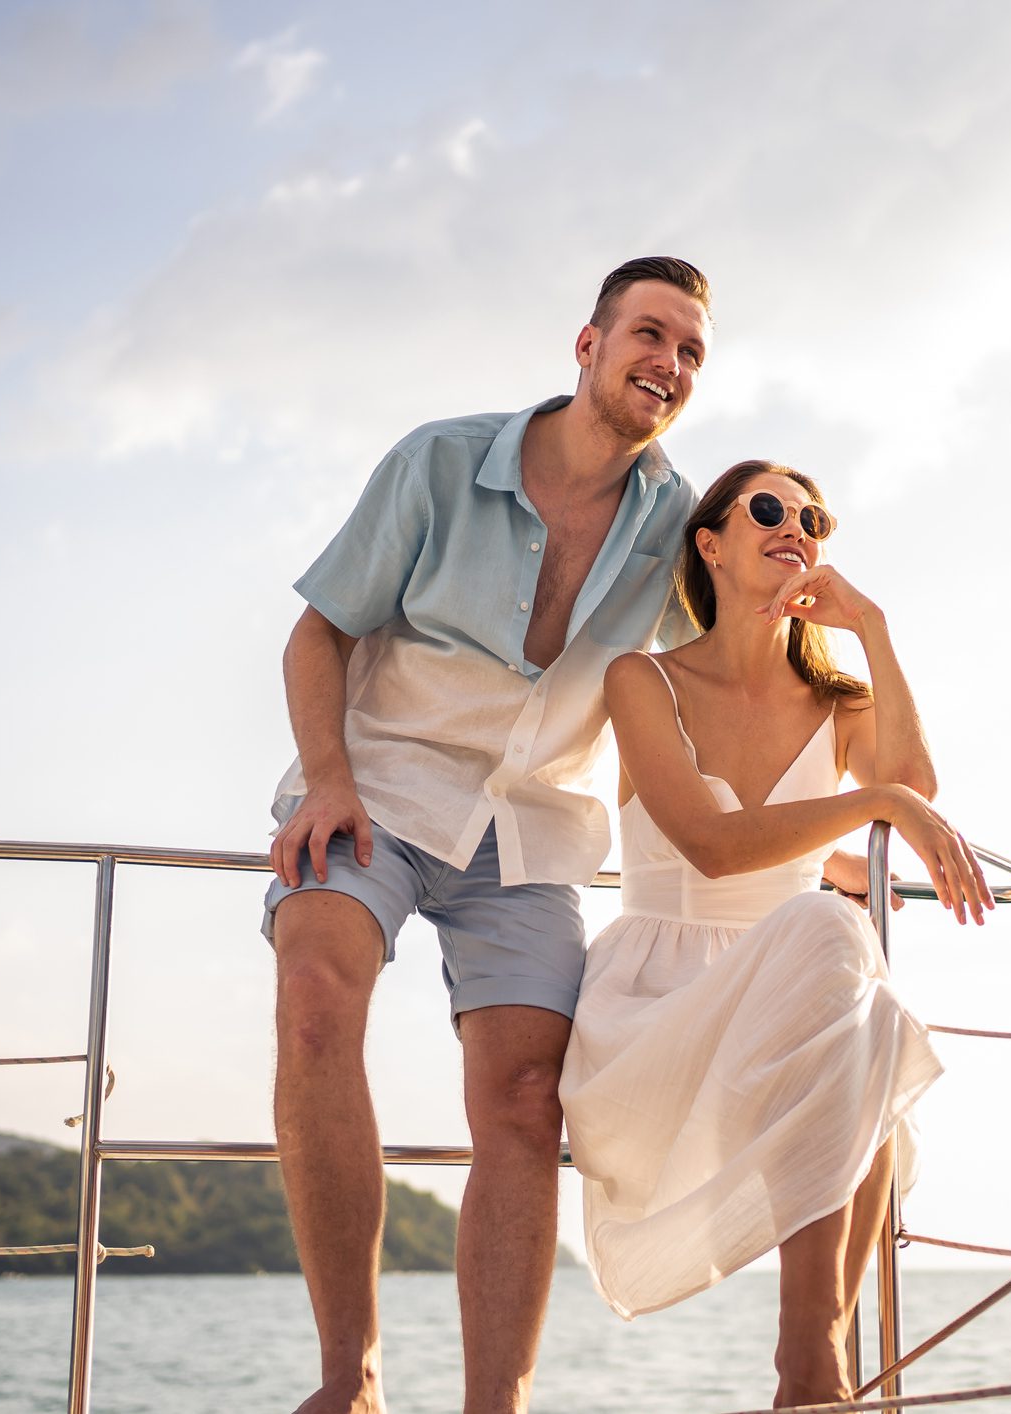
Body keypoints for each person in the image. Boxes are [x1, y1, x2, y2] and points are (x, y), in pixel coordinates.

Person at [261, 256, 715, 1414]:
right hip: (378, 792)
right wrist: (324, 779)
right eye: (650, 335)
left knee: (524, 1097)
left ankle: (491, 1407)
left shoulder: (680, 529)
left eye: (692, 351)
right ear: (589, 342)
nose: (668, 362)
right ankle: (347, 1377)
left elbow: (731, 680)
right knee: (316, 988)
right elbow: (317, 634)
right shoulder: (440, 461)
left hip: (531, 834)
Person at [559, 459, 995, 1408]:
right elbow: (713, 849)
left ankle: (812, 1359)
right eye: (769, 508)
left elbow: (913, 784)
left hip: (802, 1004)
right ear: (709, 543)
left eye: (815, 517)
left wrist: (871, 629)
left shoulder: (835, 700)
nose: (796, 525)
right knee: (833, 942)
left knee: (859, 999)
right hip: (660, 1007)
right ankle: (813, 1360)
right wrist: (870, 802)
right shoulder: (643, 681)